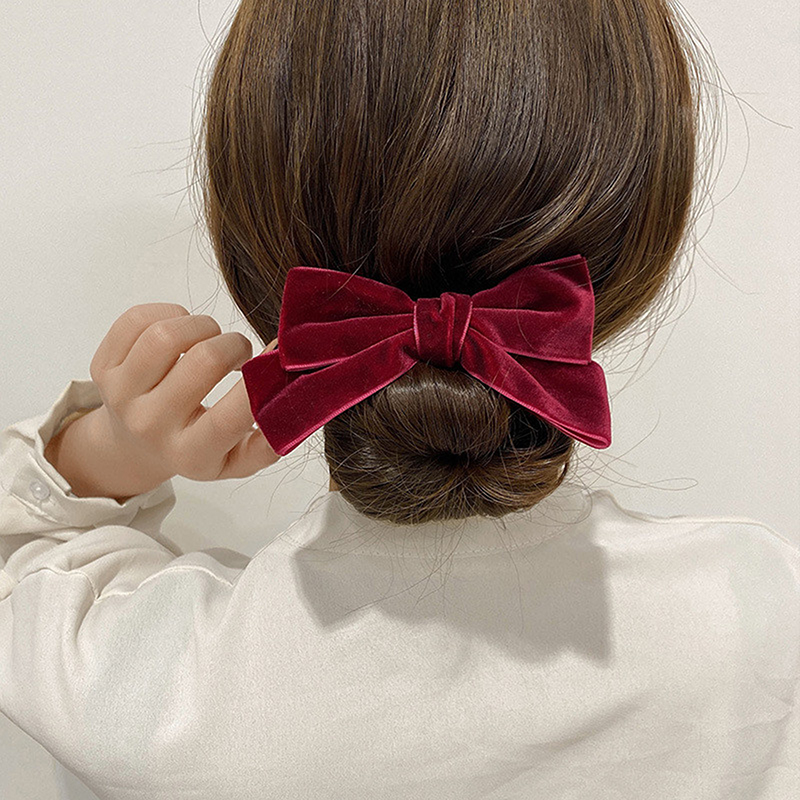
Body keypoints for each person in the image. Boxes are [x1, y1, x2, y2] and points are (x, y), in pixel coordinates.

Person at [1, 1, 798, 798]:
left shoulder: (138, 689)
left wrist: (112, 452)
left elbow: (19, 557)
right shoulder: (762, 621)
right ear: (643, 231)